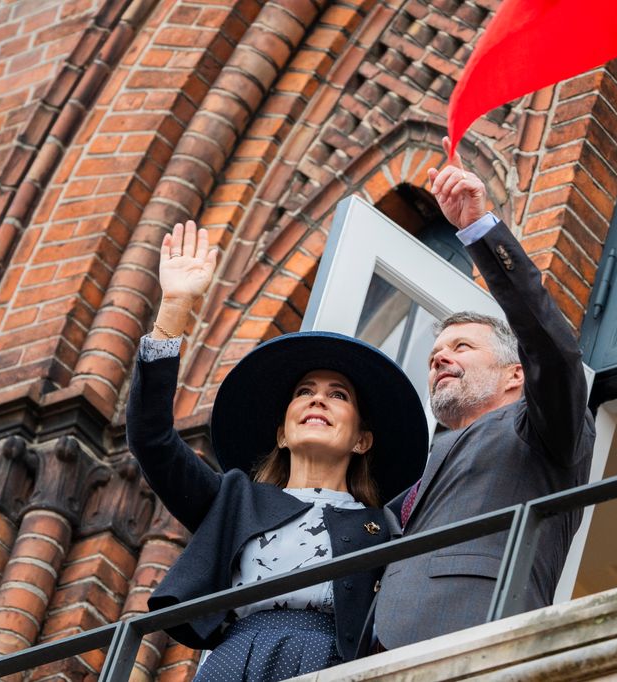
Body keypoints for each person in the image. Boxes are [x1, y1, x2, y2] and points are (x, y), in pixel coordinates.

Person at [126, 222, 429, 681]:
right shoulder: (234, 500)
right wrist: (174, 308)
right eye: (304, 391)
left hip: (329, 665)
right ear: (282, 434)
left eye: (338, 395)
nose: (317, 399)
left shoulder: (383, 527)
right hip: (235, 661)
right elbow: (152, 438)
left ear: (361, 440)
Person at [372, 137, 596, 649]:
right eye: (434, 355)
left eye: (462, 347)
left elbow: (551, 347)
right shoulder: (421, 469)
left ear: (515, 375)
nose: (438, 359)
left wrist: (478, 229)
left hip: (475, 631)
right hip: (378, 650)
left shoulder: (542, 431)